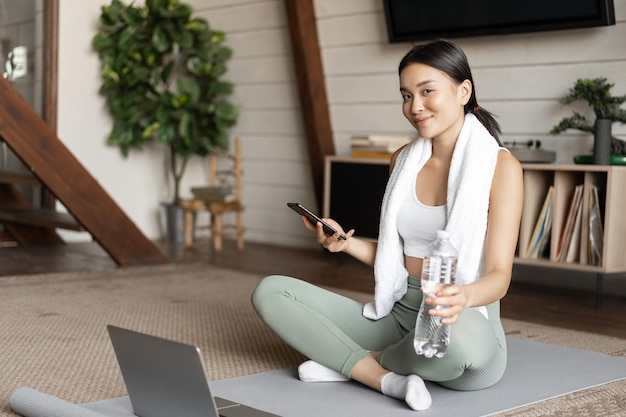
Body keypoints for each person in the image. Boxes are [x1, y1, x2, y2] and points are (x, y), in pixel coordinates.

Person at [251, 39, 523, 411]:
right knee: (270, 291)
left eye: (428, 91)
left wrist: (464, 296)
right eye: (406, 95)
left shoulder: (500, 168)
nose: (415, 107)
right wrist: (345, 244)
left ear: (463, 91)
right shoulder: (402, 161)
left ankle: (357, 361)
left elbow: (499, 275)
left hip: (461, 318)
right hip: (398, 314)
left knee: (458, 347)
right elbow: (395, 255)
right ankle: (383, 377)